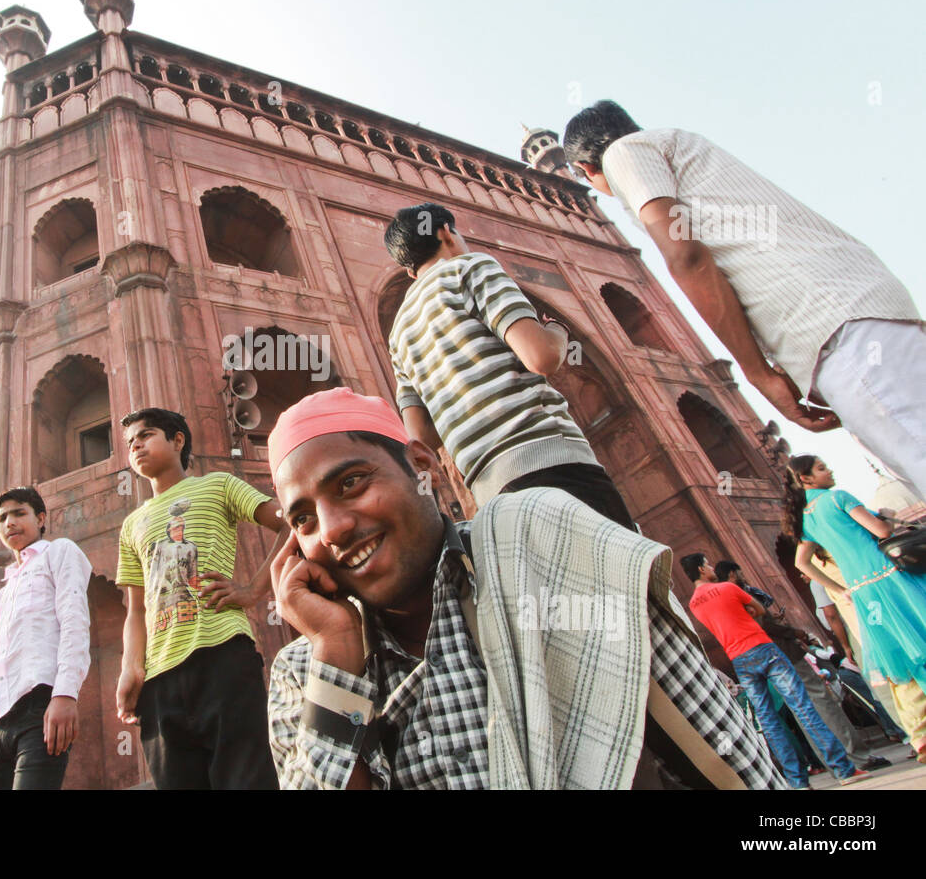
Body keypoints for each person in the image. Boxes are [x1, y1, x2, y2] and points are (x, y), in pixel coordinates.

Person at [265, 386, 785, 789]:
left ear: (423, 468)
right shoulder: (304, 674)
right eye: (305, 520)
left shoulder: (553, 552)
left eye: (351, 483)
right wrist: (335, 658)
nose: (331, 529)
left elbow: (720, 754)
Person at [562, 100, 924, 499]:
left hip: (832, 323)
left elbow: (685, 254)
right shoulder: (683, 148)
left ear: (585, 169)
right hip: (858, 308)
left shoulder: (623, 153)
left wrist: (759, 374)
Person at [382, 202, 635, 528]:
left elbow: (421, 437)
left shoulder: (400, 330)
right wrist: (557, 332)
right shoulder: (470, 268)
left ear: (411, 271)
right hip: (551, 461)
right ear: (447, 233)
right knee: (626, 575)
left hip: (492, 496)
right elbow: (542, 357)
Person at [115, 407, 286, 788]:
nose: (136, 446)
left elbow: (289, 521)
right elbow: (136, 609)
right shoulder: (132, 525)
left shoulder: (218, 485)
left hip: (222, 653)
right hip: (159, 679)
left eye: (146, 435)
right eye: (130, 443)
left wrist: (253, 589)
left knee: (246, 779)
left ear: (178, 440)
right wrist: (131, 668)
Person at [784, 454, 926, 762]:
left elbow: (800, 562)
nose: (830, 469)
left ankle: (920, 735)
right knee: (921, 641)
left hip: (862, 592)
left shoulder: (806, 518)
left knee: (899, 661)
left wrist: (839, 589)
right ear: (806, 479)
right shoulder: (837, 498)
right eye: (822, 467)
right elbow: (883, 532)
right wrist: (886, 515)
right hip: (889, 579)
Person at [680, 552, 861, 788]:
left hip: (740, 660)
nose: (712, 567)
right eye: (708, 564)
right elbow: (760, 610)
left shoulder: (693, 604)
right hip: (763, 648)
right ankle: (842, 768)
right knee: (802, 706)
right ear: (702, 569)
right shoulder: (727, 588)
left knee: (768, 720)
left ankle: (798, 781)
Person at [0, 486, 92, 790]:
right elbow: (0, 663)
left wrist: (66, 693)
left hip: (39, 708)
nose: (10, 523)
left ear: (41, 518)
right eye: (2, 518)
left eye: (19, 513)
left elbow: (74, 621)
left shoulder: (59, 552)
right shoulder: (3, 593)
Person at [759, 615, 892, 771]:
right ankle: (856, 758)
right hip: (783, 653)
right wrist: (793, 632)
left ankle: (838, 764)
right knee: (822, 704)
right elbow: (764, 624)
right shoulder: (740, 593)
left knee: (804, 710)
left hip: (767, 658)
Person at [714, 560, 781, 615]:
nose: (744, 579)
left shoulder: (748, 590)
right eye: (741, 575)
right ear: (732, 574)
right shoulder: (730, 596)